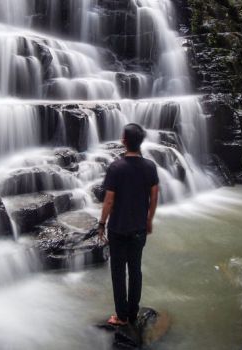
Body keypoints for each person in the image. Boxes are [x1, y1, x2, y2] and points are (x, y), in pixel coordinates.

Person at [98, 123, 159, 326]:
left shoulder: (116, 168)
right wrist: (149, 219)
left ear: (124, 141)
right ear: (140, 141)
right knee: (135, 270)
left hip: (117, 229)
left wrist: (101, 223)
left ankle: (121, 316)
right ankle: (133, 313)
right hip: (139, 229)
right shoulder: (150, 167)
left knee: (118, 273)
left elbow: (108, 200)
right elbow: (154, 195)